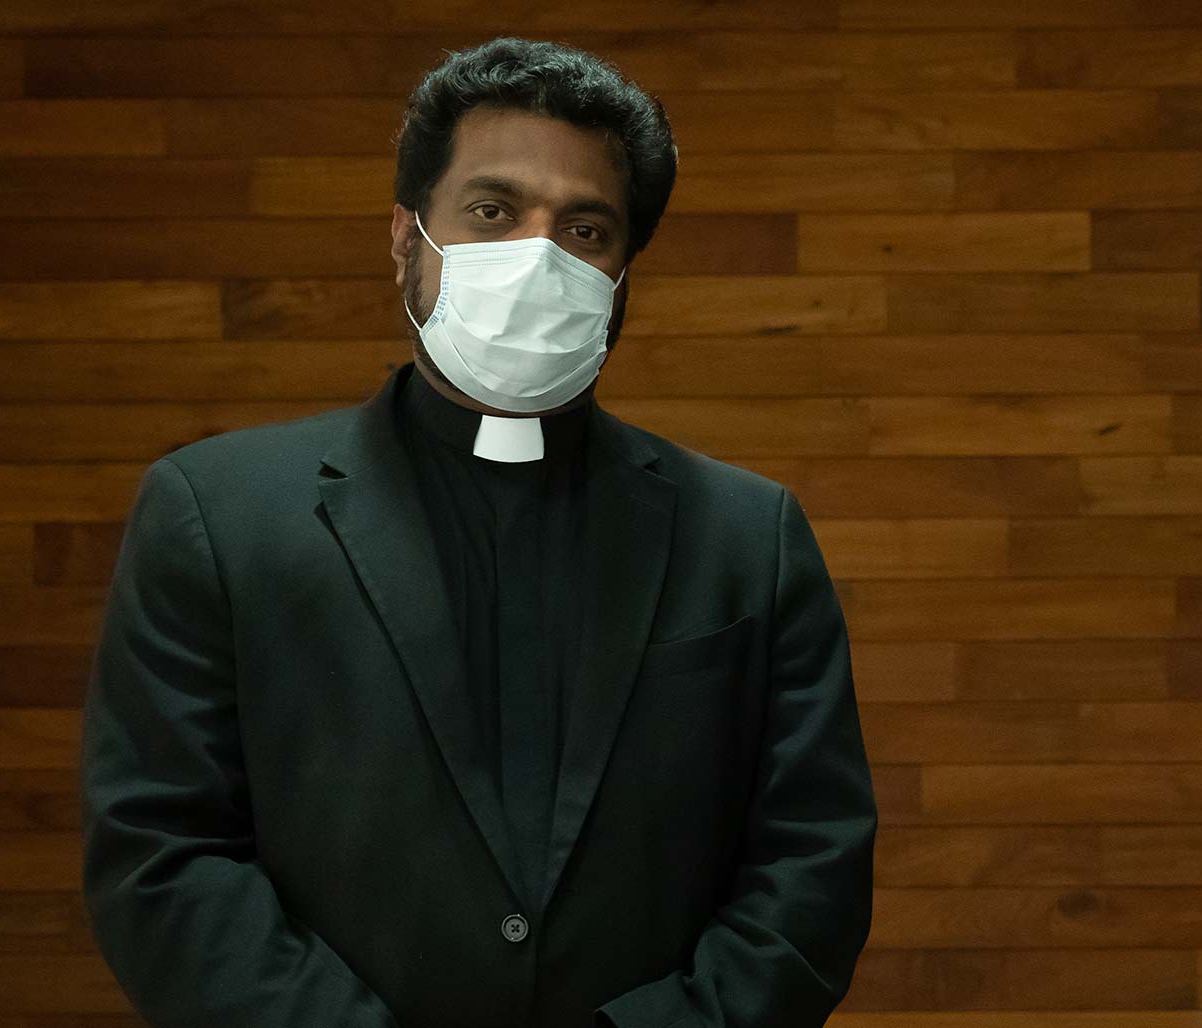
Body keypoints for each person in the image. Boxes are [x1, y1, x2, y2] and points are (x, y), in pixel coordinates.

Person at [80, 38, 874, 1028]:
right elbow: (163, 853)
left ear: (623, 278)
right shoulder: (217, 512)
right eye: (493, 212)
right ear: (409, 239)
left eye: (586, 228)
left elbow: (813, 857)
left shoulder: (748, 536)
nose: (538, 257)